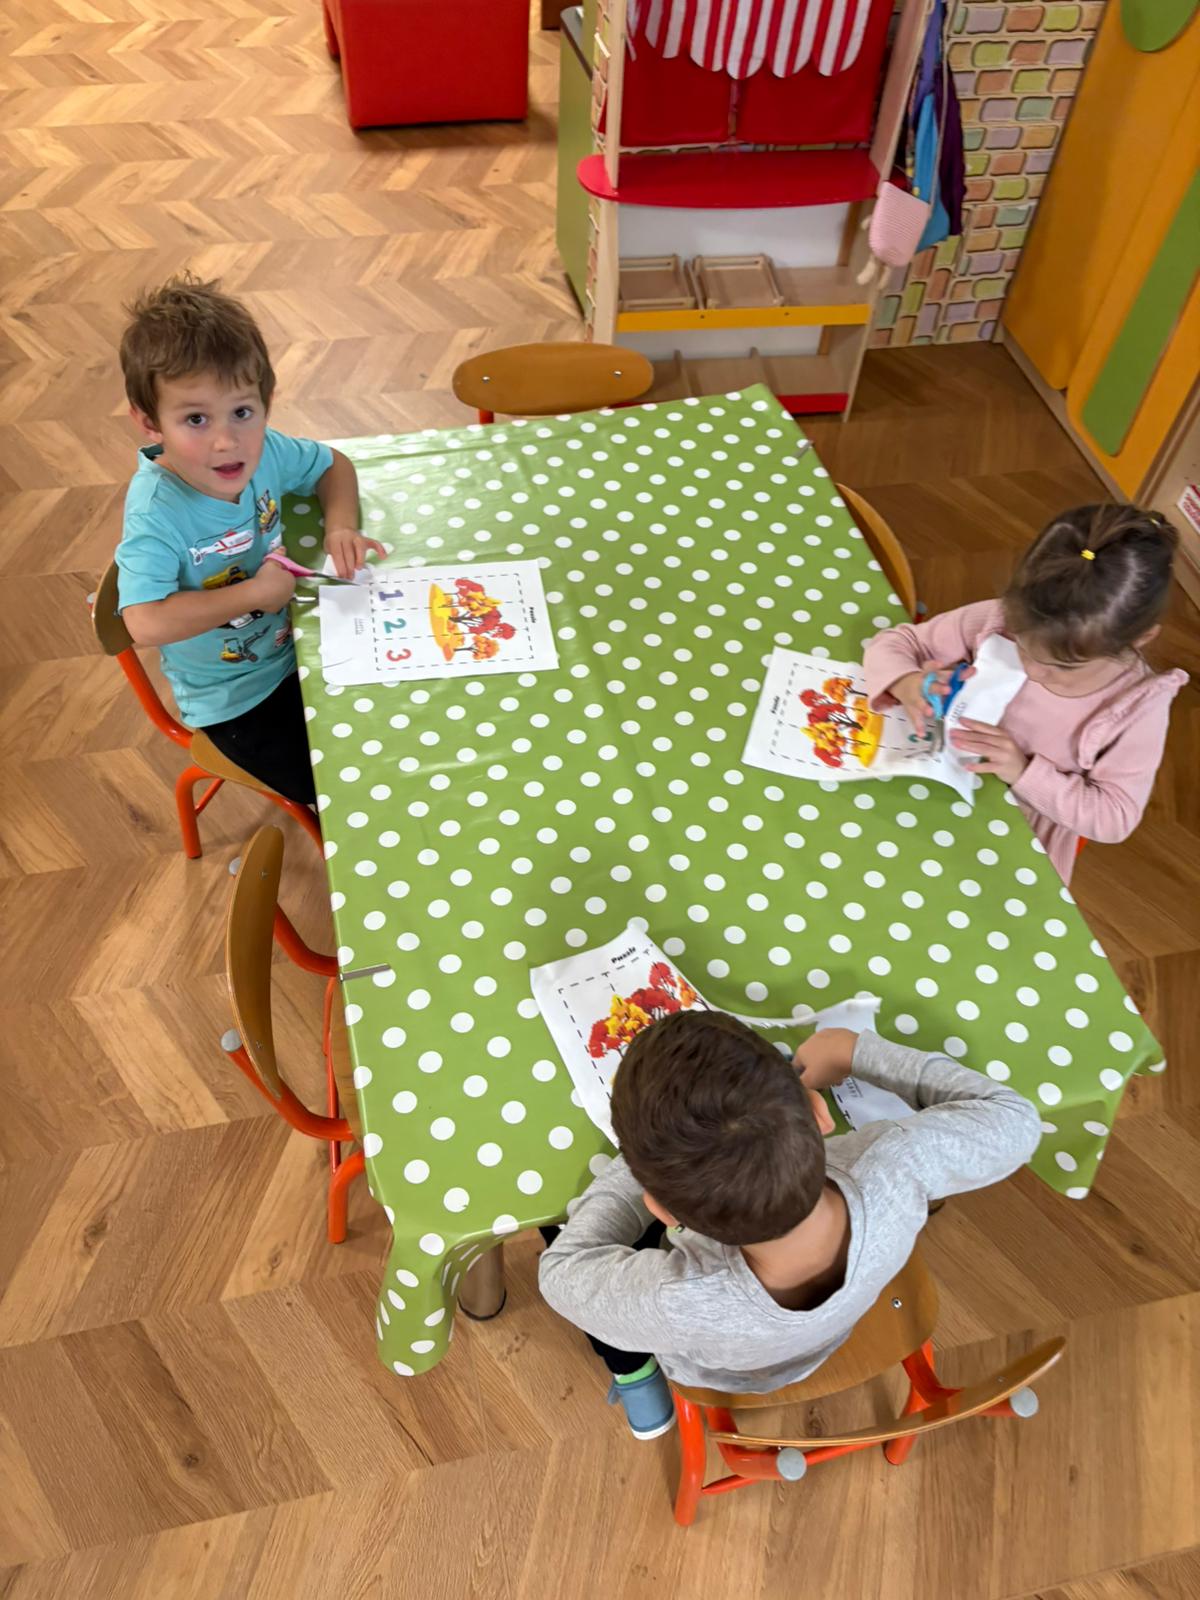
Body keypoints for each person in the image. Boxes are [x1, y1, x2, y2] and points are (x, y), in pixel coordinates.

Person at [539, 1010, 1040, 1441]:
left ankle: (635, 1375)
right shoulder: (896, 1165)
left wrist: (644, 1163)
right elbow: (1017, 1121)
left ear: (663, 1211)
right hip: (841, 1327)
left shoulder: (676, 1299)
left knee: (556, 1230)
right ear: (820, 1113)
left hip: (719, 1367)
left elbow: (560, 1270)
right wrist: (857, 1051)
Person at [114, 274, 384, 804]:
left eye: (242, 411)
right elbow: (143, 621)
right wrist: (256, 594)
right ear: (149, 423)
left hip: (302, 644)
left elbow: (333, 464)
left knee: (393, 728)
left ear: (266, 401)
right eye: (195, 418)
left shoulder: (267, 451)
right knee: (350, 795)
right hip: (236, 699)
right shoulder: (156, 514)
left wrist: (341, 526)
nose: (226, 441)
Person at [863, 504, 1187, 882]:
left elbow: (1114, 818)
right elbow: (896, 643)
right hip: (928, 790)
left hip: (1010, 848)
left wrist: (1024, 771)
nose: (1031, 670)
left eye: (1061, 666)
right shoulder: (999, 620)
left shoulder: (1134, 707)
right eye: (1021, 644)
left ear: (1141, 638)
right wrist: (906, 682)